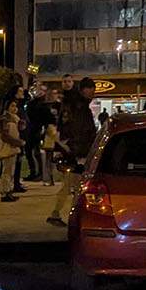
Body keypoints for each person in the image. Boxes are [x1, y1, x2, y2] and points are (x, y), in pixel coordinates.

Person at [47, 77, 98, 225]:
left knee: (72, 185)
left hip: (74, 151)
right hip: (76, 153)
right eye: (91, 90)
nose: (93, 93)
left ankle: (62, 214)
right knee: (73, 186)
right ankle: (64, 215)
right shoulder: (79, 107)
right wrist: (79, 153)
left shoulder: (75, 105)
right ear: (84, 90)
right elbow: (77, 131)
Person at [0, 100, 25, 203]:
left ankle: (9, 191)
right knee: (7, 172)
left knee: (10, 172)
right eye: (12, 106)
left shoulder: (14, 119)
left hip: (12, 148)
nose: (14, 108)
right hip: (8, 148)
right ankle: (5, 192)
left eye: (15, 106)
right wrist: (17, 142)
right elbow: (5, 136)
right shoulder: (5, 120)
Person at [24, 84, 55, 184]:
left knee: (35, 152)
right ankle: (36, 172)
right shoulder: (35, 104)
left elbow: (45, 119)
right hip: (33, 129)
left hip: (35, 130)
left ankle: (38, 173)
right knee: (31, 152)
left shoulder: (40, 105)